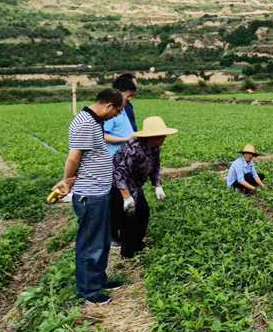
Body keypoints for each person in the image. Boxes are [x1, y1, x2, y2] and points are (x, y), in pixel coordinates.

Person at [50, 89, 124, 305]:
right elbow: (73, 158)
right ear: (109, 105)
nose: (116, 116)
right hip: (90, 194)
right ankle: (88, 291)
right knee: (91, 244)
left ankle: (98, 280)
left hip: (99, 190)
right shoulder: (84, 122)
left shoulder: (94, 121)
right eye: (118, 111)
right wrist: (66, 181)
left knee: (101, 241)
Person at [110, 116, 178, 259]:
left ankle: (137, 245)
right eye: (160, 136)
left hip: (135, 185)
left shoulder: (154, 148)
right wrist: (126, 196)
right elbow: (118, 173)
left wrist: (157, 185)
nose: (163, 139)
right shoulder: (132, 149)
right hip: (118, 186)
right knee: (127, 219)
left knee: (143, 213)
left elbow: (155, 167)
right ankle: (127, 254)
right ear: (151, 136)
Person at [104, 75, 138, 155]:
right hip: (114, 157)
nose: (130, 99)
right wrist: (126, 139)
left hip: (127, 155)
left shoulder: (127, 106)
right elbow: (103, 136)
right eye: (129, 95)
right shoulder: (110, 110)